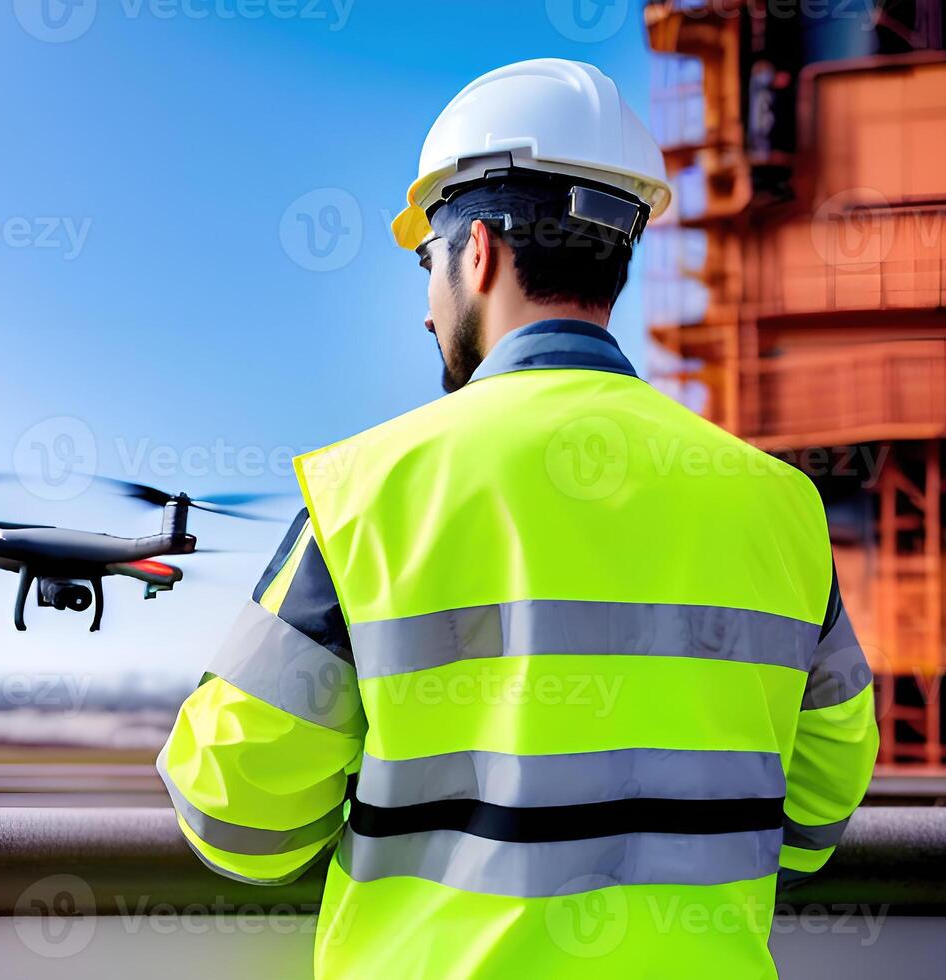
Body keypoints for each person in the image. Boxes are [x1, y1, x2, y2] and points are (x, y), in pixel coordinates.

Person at [158, 58, 878, 978]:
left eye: (428, 261)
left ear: (480, 252)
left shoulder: (368, 490)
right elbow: (815, 817)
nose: (426, 309)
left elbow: (239, 818)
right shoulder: (780, 504)